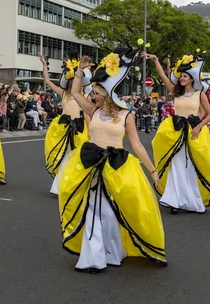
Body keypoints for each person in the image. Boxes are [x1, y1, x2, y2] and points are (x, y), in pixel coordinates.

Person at [59, 47, 166, 273]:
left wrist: (153, 172)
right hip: (90, 165)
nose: (93, 95)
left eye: (97, 91)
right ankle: (93, 258)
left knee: (109, 212)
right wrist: (79, 72)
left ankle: (112, 251)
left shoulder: (127, 115)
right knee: (91, 210)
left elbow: (136, 145)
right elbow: (76, 94)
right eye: (94, 91)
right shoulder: (93, 111)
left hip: (116, 168)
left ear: (107, 93)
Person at [146, 53, 210, 214]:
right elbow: (163, 76)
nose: (182, 78)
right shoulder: (175, 91)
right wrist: (156, 60)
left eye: (185, 76)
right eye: (181, 76)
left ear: (192, 79)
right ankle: (174, 200)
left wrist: (198, 127)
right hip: (176, 132)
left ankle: (191, 200)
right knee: (176, 165)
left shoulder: (200, 94)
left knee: (191, 166)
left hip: (193, 133)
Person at [38, 51, 91, 195]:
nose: (75, 83)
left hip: (79, 129)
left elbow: (87, 115)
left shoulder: (85, 96)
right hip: (63, 128)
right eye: (72, 81)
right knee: (63, 156)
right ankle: (59, 186)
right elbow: (48, 82)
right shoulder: (64, 94)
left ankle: (76, 184)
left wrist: (91, 133)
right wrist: (44, 65)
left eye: (77, 81)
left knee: (76, 157)